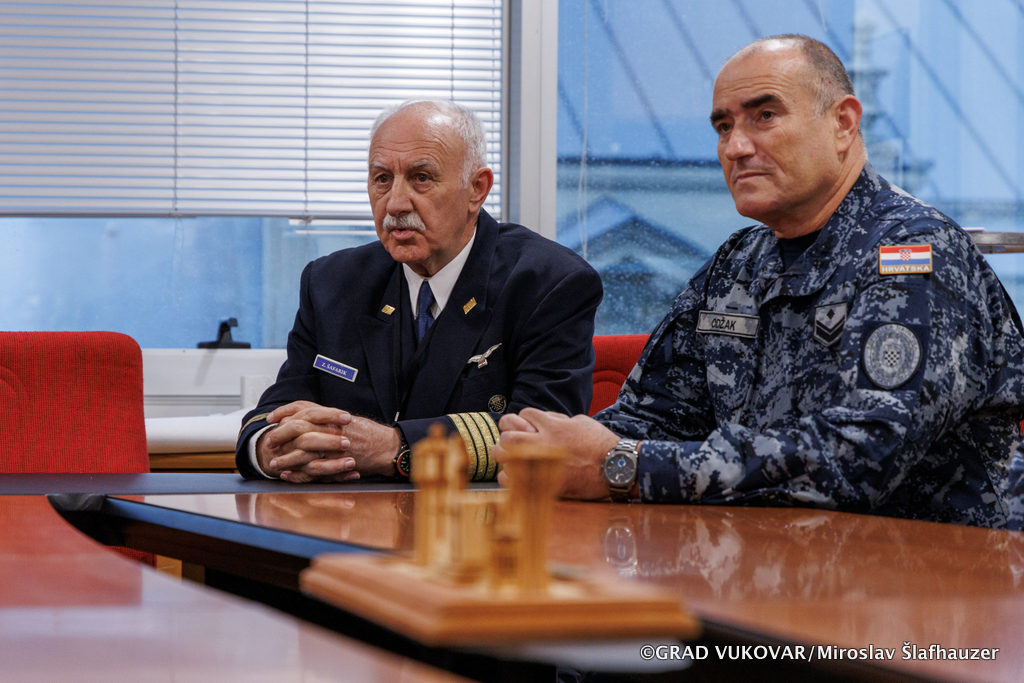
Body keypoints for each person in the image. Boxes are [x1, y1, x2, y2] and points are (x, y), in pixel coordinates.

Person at [495, 35, 1024, 528]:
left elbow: (860, 457)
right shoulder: (737, 263)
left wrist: (624, 467)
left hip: (931, 574)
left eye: (764, 116)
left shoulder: (913, 255)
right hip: (768, 562)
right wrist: (555, 449)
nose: (735, 147)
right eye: (723, 127)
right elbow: (651, 418)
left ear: (843, 123)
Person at [237, 99, 602, 483]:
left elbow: (545, 438)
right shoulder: (331, 283)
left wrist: (394, 446)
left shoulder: (549, 282)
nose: (395, 203)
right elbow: (280, 408)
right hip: (345, 513)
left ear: (476, 189)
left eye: (421, 178)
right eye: (382, 179)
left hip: (478, 516)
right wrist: (269, 449)